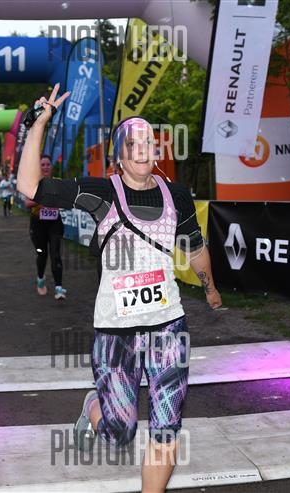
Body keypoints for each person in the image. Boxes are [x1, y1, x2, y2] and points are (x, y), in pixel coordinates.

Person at [17, 85, 222, 493]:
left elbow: (196, 248)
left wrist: (210, 288)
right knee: (119, 432)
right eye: (133, 143)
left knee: (167, 427)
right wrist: (39, 123)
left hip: (168, 326)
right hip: (116, 332)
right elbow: (30, 187)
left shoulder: (177, 195)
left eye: (148, 141)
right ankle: (94, 406)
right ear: (120, 156)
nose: (142, 149)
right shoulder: (102, 193)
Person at [25, 156, 67, 300]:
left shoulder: (57, 182)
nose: (45, 167)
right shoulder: (33, 183)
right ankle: (40, 278)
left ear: (51, 167)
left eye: (48, 164)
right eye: (42, 165)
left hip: (54, 222)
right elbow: (27, 203)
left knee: (55, 254)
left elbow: (65, 199)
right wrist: (42, 200)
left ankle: (59, 288)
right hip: (38, 224)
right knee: (42, 254)